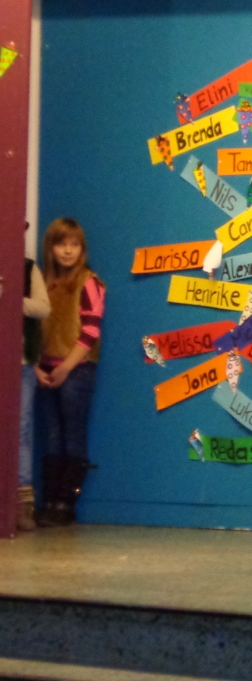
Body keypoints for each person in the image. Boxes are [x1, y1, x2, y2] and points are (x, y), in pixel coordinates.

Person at [35, 218, 105, 527]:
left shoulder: (89, 282)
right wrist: (36, 367)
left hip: (76, 369)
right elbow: (30, 331)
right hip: (45, 369)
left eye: (74, 245)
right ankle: (49, 500)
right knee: (51, 435)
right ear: (50, 247)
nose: (67, 251)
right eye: (61, 244)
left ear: (82, 249)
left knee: (72, 434)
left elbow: (90, 331)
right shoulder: (43, 283)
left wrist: (65, 367)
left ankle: (66, 504)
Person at [18, 242, 50, 531]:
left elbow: (43, 307)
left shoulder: (27, 268)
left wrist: (12, 299)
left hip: (20, 363)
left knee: (21, 430)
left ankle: (22, 503)